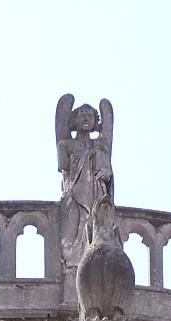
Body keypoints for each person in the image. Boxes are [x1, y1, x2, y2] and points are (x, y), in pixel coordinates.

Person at [56, 96, 114, 261]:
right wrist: (86, 156)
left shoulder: (100, 146)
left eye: (90, 115)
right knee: (72, 233)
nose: (86, 118)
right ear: (74, 120)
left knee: (94, 225)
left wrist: (106, 172)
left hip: (96, 192)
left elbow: (107, 170)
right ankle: (73, 261)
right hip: (74, 194)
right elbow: (64, 166)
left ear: (96, 122)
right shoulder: (65, 145)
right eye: (82, 115)